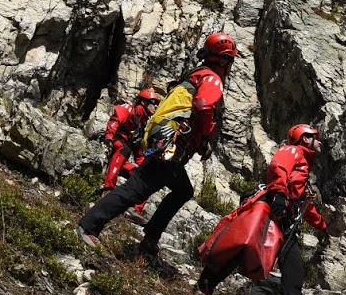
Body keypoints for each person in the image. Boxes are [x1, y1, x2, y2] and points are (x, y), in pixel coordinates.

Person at [77, 31, 239, 269]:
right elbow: (204, 106)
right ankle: (89, 226)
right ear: (224, 60)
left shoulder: (194, 75)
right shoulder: (212, 78)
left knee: (183, 189)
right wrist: (204, 138)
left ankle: (151, 236)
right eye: (230, 60)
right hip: (172, 141)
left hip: (163, 139)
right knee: (136, 189)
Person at [197, 123, 330, 295]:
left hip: (284, 219)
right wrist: (278, 192)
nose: (320, 141)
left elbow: (304, 205)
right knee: (242, 246)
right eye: (315, 137)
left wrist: (321, 225)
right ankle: (203, 287)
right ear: (305, 139)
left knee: (293, 269)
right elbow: (278, 166)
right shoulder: (293, 151)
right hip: (273, 210)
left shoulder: (304, 167)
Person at [99, 88, 161, 226]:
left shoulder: (142, 126)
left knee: (145, 177)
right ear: (143, 102)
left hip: (121, 157)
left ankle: (134, 210)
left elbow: (138, 154)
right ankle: (108, 189)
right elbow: (115, 120)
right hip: (113, 145)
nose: (156, 106)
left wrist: (147, 164)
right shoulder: (129, 110)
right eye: (153, 102)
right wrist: (109, 137)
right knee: (123, 148)